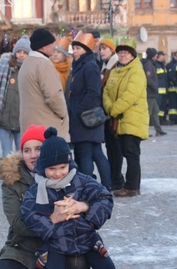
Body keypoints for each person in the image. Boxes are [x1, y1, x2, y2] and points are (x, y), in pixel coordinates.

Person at [0, 125, 90, 269]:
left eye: (39, 149)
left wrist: (82, 205)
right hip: (24, 246)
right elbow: (17, 223)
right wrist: (52, 219)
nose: (33, 155)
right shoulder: (12, 181)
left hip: (60, 244)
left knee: (79, 264)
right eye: (27, 150)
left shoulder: (66, 174)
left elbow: (96, 198)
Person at [20, 127, 117, 269]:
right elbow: (29, 215)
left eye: (62, 168)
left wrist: (86, 212)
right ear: (42, 168)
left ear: (69, 163)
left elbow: (105, 197)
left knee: (108, 268)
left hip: (87, 237)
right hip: (57, 241)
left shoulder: (82, 180)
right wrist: (52, 223)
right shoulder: (37, 189)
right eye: (52, 169)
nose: (57, 174)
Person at [103, 38, 148, 197]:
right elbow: (107, 92)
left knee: (131, 153)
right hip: (119, 119)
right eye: (120, 52)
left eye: (126, 53)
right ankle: (130, 185)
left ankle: (132, 187)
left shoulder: (136, 71)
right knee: (123, 151)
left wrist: (113, 109)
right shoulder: (115, 71)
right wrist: (109, 107)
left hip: (132, 118)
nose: (123, 55)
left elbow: (131, 95)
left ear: (132, 55)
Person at [67, 31, 111, 189]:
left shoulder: (89, 66)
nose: (75, 51)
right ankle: (106, 185)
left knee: (86, 154)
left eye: (78, 48)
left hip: (86, 119)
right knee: (96, 153)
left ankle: (87, 187)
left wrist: (78, 110)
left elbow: (93, 93)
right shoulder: (81, 65)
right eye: (74, 48)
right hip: (85, 118)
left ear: (86, 49)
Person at [18, 28, 69, 141]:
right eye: (52, 44)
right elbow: (53, 95)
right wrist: (63, 114)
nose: (55, 46)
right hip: (46, 126)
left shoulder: (26, 64)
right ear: (43, 46)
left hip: (30, 125)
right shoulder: (43, 64)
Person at [0, 40, 27, 157]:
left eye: (25, 52)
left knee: (23, 153)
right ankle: (7, 175)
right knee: (6, 154)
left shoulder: (30, 70)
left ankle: (23, 175)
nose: (22, 54)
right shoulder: (5, 66)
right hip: (4, 118)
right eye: (19, 51)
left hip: (22, 120)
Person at [100, 37, 123, 191]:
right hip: (107, 112)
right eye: (100, 49)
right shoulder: (105, 66)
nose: (101, 51)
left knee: (116, 149)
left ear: (112, 50)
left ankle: (117, 179)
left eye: (104, 48)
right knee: (110, 148)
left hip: (113, 113)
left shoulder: (115, 66)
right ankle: (115, 177)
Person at [142, 48, 166, 137]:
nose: (157, 56)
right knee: (147, 112)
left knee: (155, 111)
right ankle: (144, 131)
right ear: (153, 55)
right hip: (149, 93)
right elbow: (149, 79)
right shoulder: (148, 65)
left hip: (152, 93)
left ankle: (158, 130)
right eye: (156, 55)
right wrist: (155, 87)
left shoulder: (151, 64)